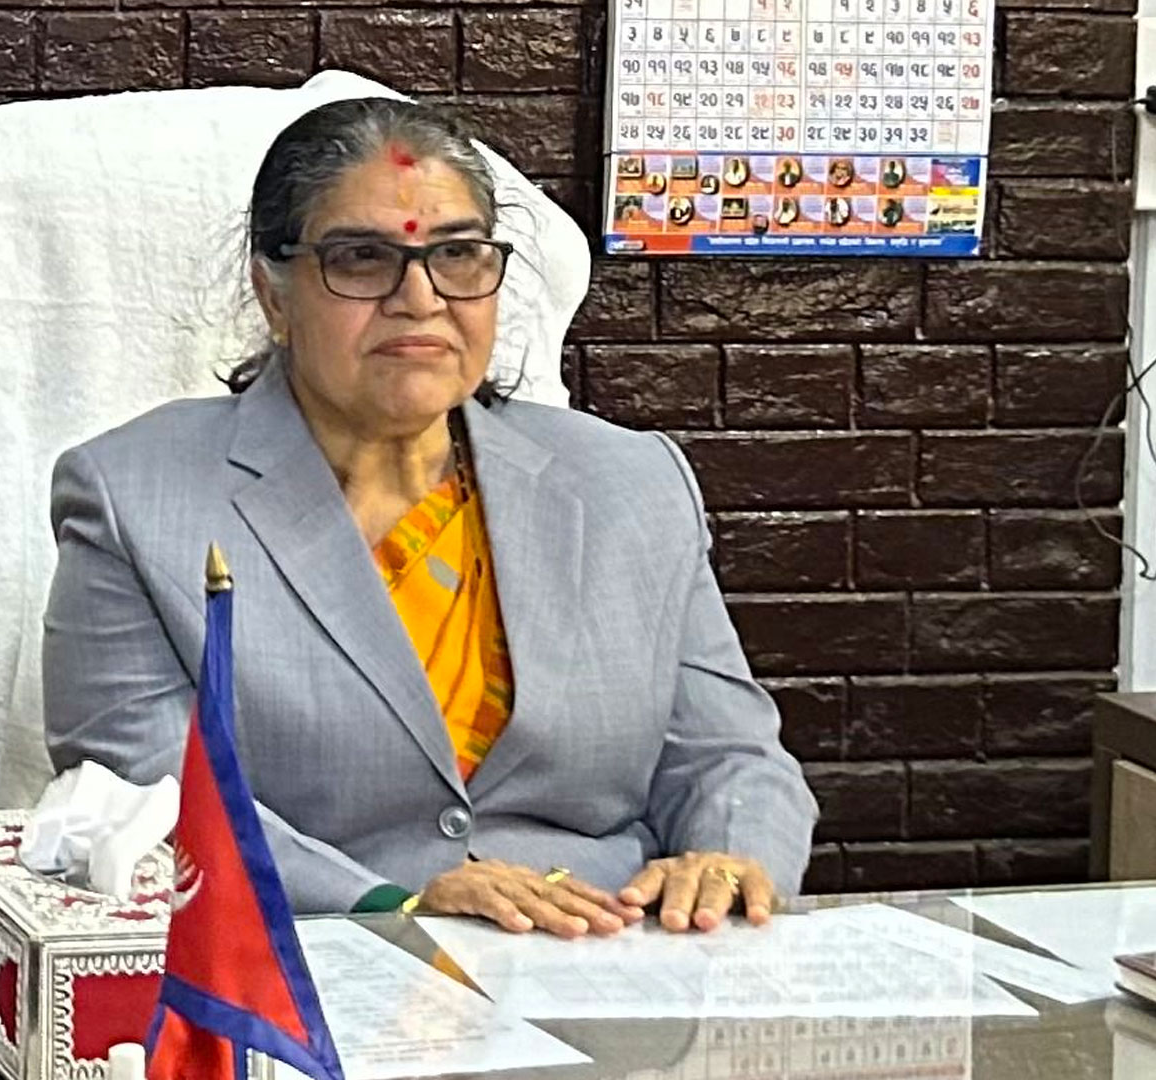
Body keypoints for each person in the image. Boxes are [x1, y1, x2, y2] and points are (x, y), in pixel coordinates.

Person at [42, 98, 817, 938]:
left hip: (615, 950)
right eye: (362, 258)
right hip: (316, 962)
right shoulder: (135, 499)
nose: (420, 298)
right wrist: (399, 905)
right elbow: (144, 797)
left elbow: (729, 757)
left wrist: (726, 862)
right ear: (274, 295)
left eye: (455, 254)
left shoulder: (630, 485)